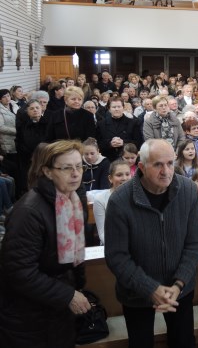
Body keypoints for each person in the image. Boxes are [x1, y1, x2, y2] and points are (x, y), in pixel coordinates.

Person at [104, 139, 198, 348]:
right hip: (136, 293)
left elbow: (194, 244)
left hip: (180, 289)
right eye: (158, 164)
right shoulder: (120, 200)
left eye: (170, 163)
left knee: (184, 342)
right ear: (141, 167)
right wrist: (150, 288)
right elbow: (117, 256)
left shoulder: (188, 190)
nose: (166, 171)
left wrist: (178, 284)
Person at [0, 140, 92, 347]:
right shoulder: (29, 212)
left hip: (56, 311)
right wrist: (67, 295)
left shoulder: (73, 201)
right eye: (66, 168)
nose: (76, 174)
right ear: (48, 172)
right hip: (26, 318)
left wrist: (77, 287)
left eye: (79, 166)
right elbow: (18, 270)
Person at [91, 159, 131, 245]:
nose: (124, 178)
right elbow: (102, 233)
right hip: (110, 245)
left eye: (127, 174)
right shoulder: (100, 199)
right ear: (110, 178)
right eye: (119, 175)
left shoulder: (137, 197)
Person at [96, 97, 142, 162]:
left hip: (128, 160)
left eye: (119, 107)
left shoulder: (133, 123)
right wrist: (110, 143)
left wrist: (124, 143)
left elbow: (138, 142)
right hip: (107, 159)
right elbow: (98, 143)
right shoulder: (101, 124)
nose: (116, 109)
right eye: (114, 107)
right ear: (109, 109)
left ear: (123, 108)